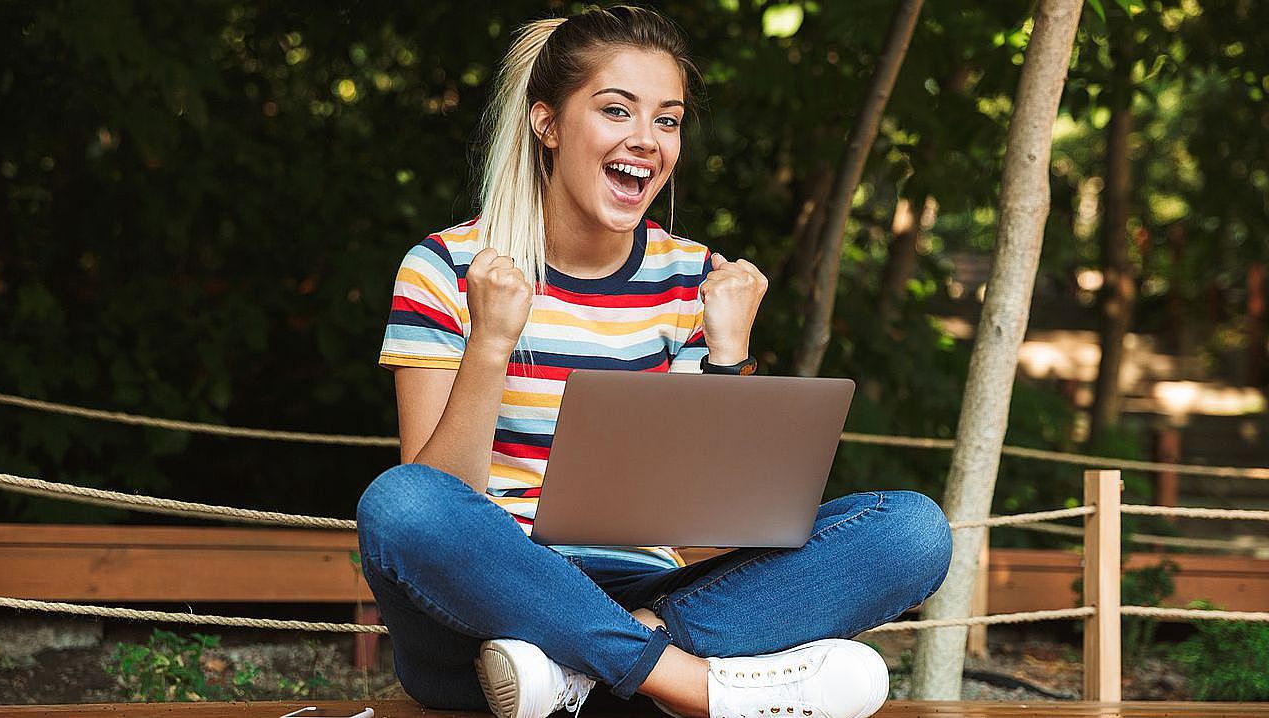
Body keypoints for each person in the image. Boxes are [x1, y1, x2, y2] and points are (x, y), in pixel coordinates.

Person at [356, 6, 952, 718]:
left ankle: (597, 670)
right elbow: (440, 495)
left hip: (645, 602)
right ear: (547, 124)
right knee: (400, 502)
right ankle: (691, 685)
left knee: (913, 531)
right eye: (616, 111)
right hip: (489, 619)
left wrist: (730, 357)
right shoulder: (446, 267)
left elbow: (727, 525)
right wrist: (489, 343)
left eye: (667, 120)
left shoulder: (690, 278)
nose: (646, 140)